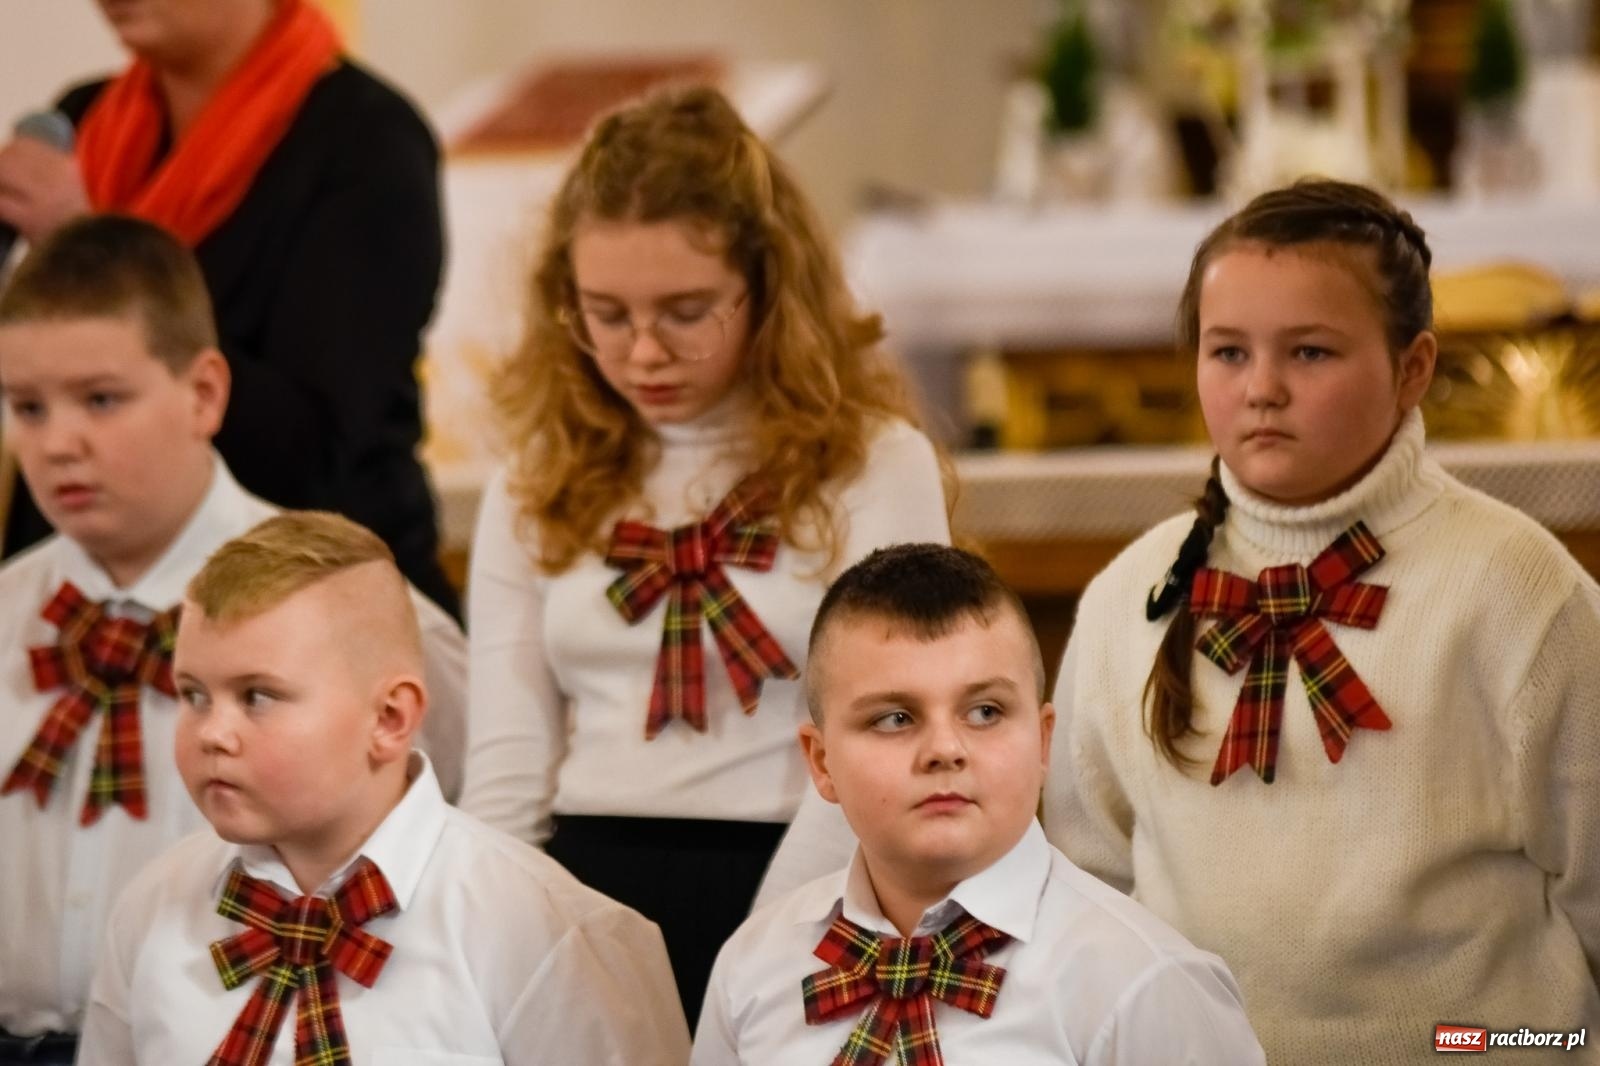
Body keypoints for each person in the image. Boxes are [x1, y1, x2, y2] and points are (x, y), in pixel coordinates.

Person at [1044, 179, 1600, 1062]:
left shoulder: (1513, 589)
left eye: (1309, 353)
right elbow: (1090, 878)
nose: (1262, 389)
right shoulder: (1134, 596)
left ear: (1413, 368)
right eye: (1228, 353)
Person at [458, 84, 950, 1025]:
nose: (643, 351)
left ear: (767, 292)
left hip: (809, 874)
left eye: (687, 311)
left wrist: (771, 948)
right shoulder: (537, 478)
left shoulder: (872, 464)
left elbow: (888, 729)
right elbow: (509, 772)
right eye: (604, 313)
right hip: (584, 898)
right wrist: (495, 955)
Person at [0, 215, 466, 1066]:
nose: (58, 441)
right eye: (25, 406)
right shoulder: (5, 612)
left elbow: (466, 854)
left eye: (101, 399)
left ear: (205, 394)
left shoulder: (357, 612)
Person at [75, 511, 690, 1065]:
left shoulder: (547, 936)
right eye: (193, 695)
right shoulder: (152, 911)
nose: (213, 733)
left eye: (258, 696)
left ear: (389, 719)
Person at [692, 544, 1264, 1065]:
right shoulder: (753, 970)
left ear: (1042, 743)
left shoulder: (1141, 985)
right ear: (821, 763)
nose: (945, 750)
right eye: (894, 718)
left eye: (985, 711)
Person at [0, 0, 455, 613]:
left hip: (307, 594)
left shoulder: (367, 140)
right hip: (86, 589)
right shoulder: (86, 121)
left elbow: (316, 449)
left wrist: (91, 244)